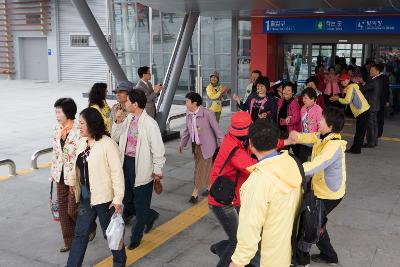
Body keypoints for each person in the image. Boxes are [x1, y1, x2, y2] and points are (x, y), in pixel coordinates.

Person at [229, 119, 303, 267]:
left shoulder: (258, 181)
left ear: (251, 144)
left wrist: (237, 263)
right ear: (277, 141)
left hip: (267, 258)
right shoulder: (291, 163)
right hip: (286, 252)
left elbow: (249, 232)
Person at [66, 107, 126, 267]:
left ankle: (119, 263)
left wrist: (118, 199)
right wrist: (73, 183)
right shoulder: (81, 142)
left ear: (92, 124)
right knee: (80, 235)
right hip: (86, 198)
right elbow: (76, 165)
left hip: (105, 199)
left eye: (82, 123)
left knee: (112, 235)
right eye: (79, 123)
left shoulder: (108, 144)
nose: (79, 126)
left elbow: (117, 174)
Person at [288, 107, 347, 266]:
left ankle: (301, 261)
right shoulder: (323, 136)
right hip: (318, 187)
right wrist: (297, 136)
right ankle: (329, 255)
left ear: (331, 126)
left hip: (329, 194)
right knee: (316, 223)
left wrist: (292, 168)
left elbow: (316, 165)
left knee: (309, 223)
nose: (318, 121)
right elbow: (311, 137)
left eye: (321, 119)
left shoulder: (334, 146)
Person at [112, 89, 166, 250]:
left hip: (142, 166)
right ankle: (150, 216)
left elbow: (158, 150)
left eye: (128, 101)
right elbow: (114, 137)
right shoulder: (128, 118)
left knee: (141, 204)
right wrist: (118, 122)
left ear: (135, 104)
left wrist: (157, 170)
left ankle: (136, 236)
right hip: (126, 164)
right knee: (127, 200)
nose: (125, 103)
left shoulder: (150, 124)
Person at [208, 111, 257, 267]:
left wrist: (285, 142)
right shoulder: (234, 149)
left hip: (234, 197)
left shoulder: (238, 139)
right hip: (223, 202)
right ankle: (224, 251)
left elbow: (267, 144)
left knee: (245, 235)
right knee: (237, 241)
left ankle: (221, 247)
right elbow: (252, 167)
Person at [50, 98, 96, 253]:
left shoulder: (79, 130)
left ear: (68, 113)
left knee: (72, 209)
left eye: (59, 111)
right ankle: (68, 241)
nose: (56, 114)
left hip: (74, 176)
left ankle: (90, 226)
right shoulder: (57, 130)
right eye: (55, 111)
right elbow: (56, 153)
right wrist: (53, 173)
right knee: (63, 210)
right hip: (59, 175)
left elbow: (83, 154)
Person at [179, 92, 223, 204]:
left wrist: (222, 145)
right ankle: (210, 188)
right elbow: (186, 131)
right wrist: (182, 144)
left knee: (200, 169)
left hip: (208, 146)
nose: (186, 103)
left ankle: (195, 192)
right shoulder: (189, 114)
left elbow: (217, 130)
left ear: (194, 103)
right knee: (203, 167)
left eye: (187, 101)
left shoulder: (208, 113)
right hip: (196, 146)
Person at [330, 74, 370, 154]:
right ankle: (356, 148)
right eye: (341, 81)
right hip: (363, 111)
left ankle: (356, 149)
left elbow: (347, 101)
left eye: (344, 80)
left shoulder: (351, 87)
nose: (343, 82)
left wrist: (338, 99)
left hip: (362, 111)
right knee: (360, 131)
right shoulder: (351, 87)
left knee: (359, 132)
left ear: (348, 80)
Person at [297, 87, 323, 163]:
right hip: (305, 137)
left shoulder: (318, 109)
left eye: (306, 98)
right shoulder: (303, 108)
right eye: (303, 98)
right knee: (301, 160)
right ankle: (302, 173)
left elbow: (320, 125)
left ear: (313, 99)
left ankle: (314, 174)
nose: (303, 100)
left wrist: (318, 139)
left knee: (315, 161)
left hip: (315, 139)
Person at [361, 64, 383, 148]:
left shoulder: (375, 80)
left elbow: (365, 88)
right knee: (374, 124)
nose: (371, 71)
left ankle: (370, 143)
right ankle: (374, 141)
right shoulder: (378, 79)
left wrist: (358, 84)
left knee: (370, 124)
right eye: (370, 70)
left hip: (371, 105)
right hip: (375, 104)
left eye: (373, 70)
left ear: (377, 71)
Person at [377, 64, 390, 138]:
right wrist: (387, 100)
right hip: (383, 100)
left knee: (376, 117)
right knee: (381, 117)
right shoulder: (386, 78)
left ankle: (376, 132)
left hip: (376, 100)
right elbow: (387, 90)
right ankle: (379, 133)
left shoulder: (376, 78)